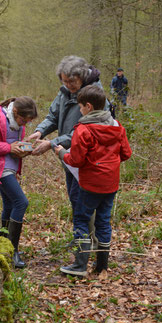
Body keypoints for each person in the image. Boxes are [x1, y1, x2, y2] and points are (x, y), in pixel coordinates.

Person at [27, 55, 109, 247]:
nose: (68, 85)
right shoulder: (64, 92)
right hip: (69, 156)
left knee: (83, 200)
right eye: (64, 81)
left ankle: (88, 242)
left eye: (71, 81)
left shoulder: (95, 95)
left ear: (82, 77)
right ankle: (82, 238)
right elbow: (53, 115)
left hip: (87, 157)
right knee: (75, 197)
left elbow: (85, 131)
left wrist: (52, 143)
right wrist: (40, 131)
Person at [55, 85, 132, 276]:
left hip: (89, 185)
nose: (79, 110)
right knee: (104, 222)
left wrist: (62, 152)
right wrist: (110, 162)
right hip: (110, 184)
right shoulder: (116, 125)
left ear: (88, 106)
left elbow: (76, 160)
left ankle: (80, 265)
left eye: (80, 107)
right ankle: (101, 266)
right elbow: (126, 154)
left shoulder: (84, 130)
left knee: (81, 220)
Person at [0, 96, 38, 268]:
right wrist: (9, 148)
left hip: (10, 167)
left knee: (10, 205)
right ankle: (13, 251)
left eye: (27, 122)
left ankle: (2, 245)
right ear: (15, 111)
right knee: (21, 202)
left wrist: (24, 149)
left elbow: (12, 143)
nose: (24, 125)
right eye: (23, 120)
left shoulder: (17, 122)